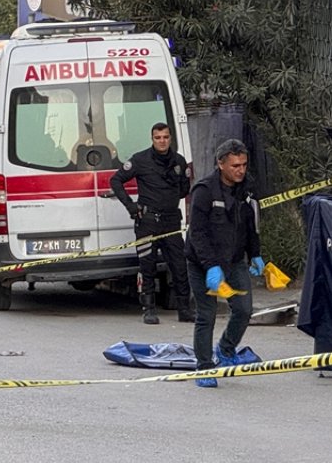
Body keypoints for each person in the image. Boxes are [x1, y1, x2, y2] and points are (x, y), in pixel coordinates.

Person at [184, 139, 262, 388]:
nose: (240, 170)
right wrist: (210, 266)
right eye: (235, 165)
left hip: (234, 260)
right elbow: (197, 233)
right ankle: (204, 366)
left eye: (244, 165)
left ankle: (226, 350)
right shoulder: (204, 191)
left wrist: (256, 254)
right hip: (203, 263)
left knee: (243, 309)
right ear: (220, 164)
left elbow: (251, 225)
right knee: (206, 315)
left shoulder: (246, 188)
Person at [109, 123, 193, 325]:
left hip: (171, 220)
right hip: (148, 221)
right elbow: (116, 181)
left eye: (165, 137)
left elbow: (184, 189)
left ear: (170, 138)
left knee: (180, 266)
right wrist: (131, 206)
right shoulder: (140, 160)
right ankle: (148, 309)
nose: (162, 141)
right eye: (158, 137)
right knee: (148, 266)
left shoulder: (179, 162)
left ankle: (185, 309)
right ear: (152, 139)